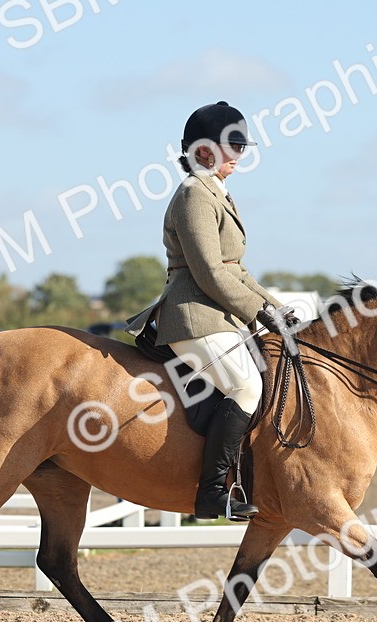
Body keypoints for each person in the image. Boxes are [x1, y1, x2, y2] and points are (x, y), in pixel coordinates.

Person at [125, 101, 299, 521]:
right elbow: (207, 273)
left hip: (218, 314)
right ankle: (210, 493)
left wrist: (278, 309)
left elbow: (235, 269)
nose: (241, 155)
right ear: (205, 151)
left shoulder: (216, 193)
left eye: (242, 146)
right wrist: (259, 313)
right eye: (234, 145)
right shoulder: (193, 195)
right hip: (193, 314)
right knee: (246, 387)